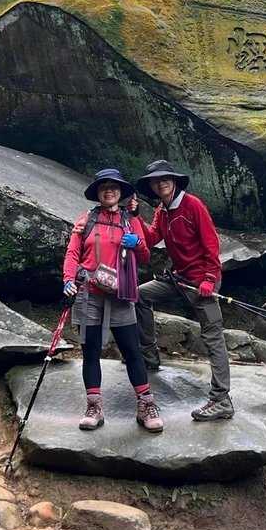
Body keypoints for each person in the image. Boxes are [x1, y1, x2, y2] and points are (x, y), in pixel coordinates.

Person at [63, 168, 163, 433]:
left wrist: (136, 244)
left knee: (132, 351)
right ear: (98, 192)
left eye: (114, 186)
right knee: (91, 353)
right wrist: (68, 279)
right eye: (103, 186)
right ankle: (94, 407)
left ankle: (145, 405)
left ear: (121, 192)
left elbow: (144, 256)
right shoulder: (86, 221)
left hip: (120, 295)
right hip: (89, 294)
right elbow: (73, 253)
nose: (109, 190)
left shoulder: (131, 221)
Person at [133, 159, 234, 421]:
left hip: (202, 282)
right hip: (178, 280)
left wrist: (210, 279)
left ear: (174, 181)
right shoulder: (162, 210)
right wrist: (135, 218)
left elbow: (211, 243)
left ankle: (222, 400)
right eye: (156, 180)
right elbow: (152, 238)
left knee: (213, 337)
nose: (161, 183)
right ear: (152, 186)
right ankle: (149, 357)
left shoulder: (192, 205)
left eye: (165, 178)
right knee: (140, 295)